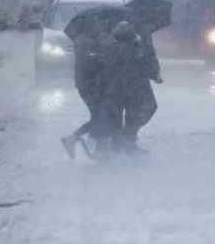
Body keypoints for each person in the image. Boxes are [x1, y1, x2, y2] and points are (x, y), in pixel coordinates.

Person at [100, 21, 163, 156]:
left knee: (117, 116)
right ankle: (127, 139)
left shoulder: (108, 47)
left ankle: (118, 145)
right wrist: (156, 74)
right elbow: (145, 62)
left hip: (114, 88)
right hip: (133, 88)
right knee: (140, 110)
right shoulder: (135, 48)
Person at [61, 16, 109, 159]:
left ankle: (79, 139)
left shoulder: (85, 40)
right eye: (97, 25)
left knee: (99, 115)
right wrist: (102, 57)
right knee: (100, 116)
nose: (100, 28)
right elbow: (90, 63)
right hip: (89, 85)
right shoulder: (86, 42)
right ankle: (81, 139)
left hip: (86, 84)